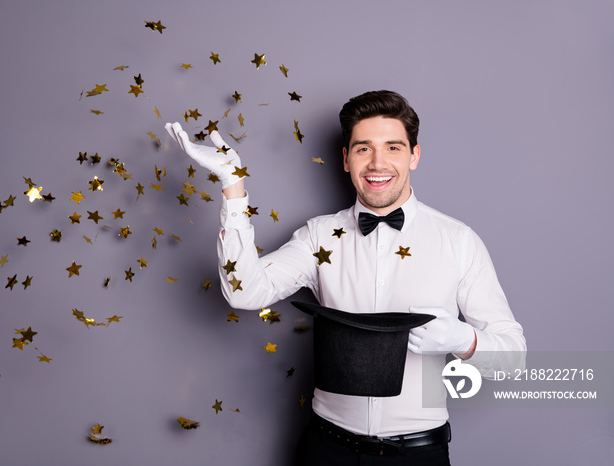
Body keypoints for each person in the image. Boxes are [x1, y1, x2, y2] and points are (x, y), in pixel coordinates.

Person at [165, 90, 526, 465]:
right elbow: (244, 293)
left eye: (393, 148)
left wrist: (462, 339)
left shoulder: (459, 241)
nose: (377, 163)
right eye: (363, 148)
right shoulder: (318, 236)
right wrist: (233, 184)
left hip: (419, 456)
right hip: (326, 450)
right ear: (346, 159)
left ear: (414, 156)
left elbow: (514, 359)